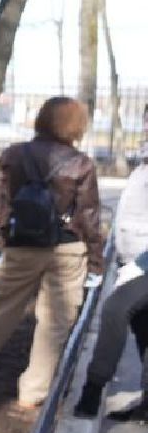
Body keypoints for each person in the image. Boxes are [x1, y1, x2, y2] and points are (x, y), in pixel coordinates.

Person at [0, 97, 104, 408]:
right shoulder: (81, 163)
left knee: (3, 306)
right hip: (68, 247)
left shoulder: (14, 155)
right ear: (77, 126)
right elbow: (89, 217)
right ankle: (34, 390)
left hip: (22, 244)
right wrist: (96, 262)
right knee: (56, 320)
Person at [75, 160, 148, 419]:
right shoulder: (142, 166)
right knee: (144, 329)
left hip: (143, 265)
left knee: (115, 310)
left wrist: (139, 265)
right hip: (131, 260)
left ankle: (92, 391)